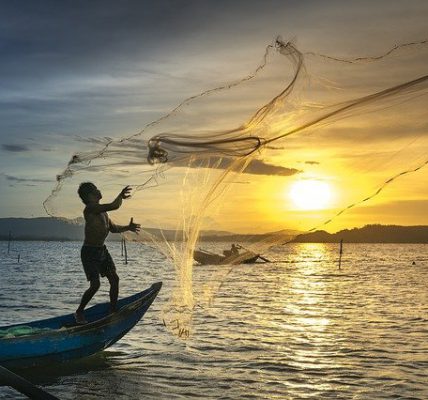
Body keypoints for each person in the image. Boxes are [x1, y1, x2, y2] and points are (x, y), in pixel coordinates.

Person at [74, 182, 140, 324]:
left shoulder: (103, 212)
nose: (99, 190)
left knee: (114, 279)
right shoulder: (90, 208)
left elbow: (113, 228)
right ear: (89, 196)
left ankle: (112, 310)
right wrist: (120, 196)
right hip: (89, 252)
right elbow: (114, 205)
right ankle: (79, 312)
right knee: (95, 285)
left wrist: (128, 227)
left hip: (101, 250)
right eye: (95, 190)